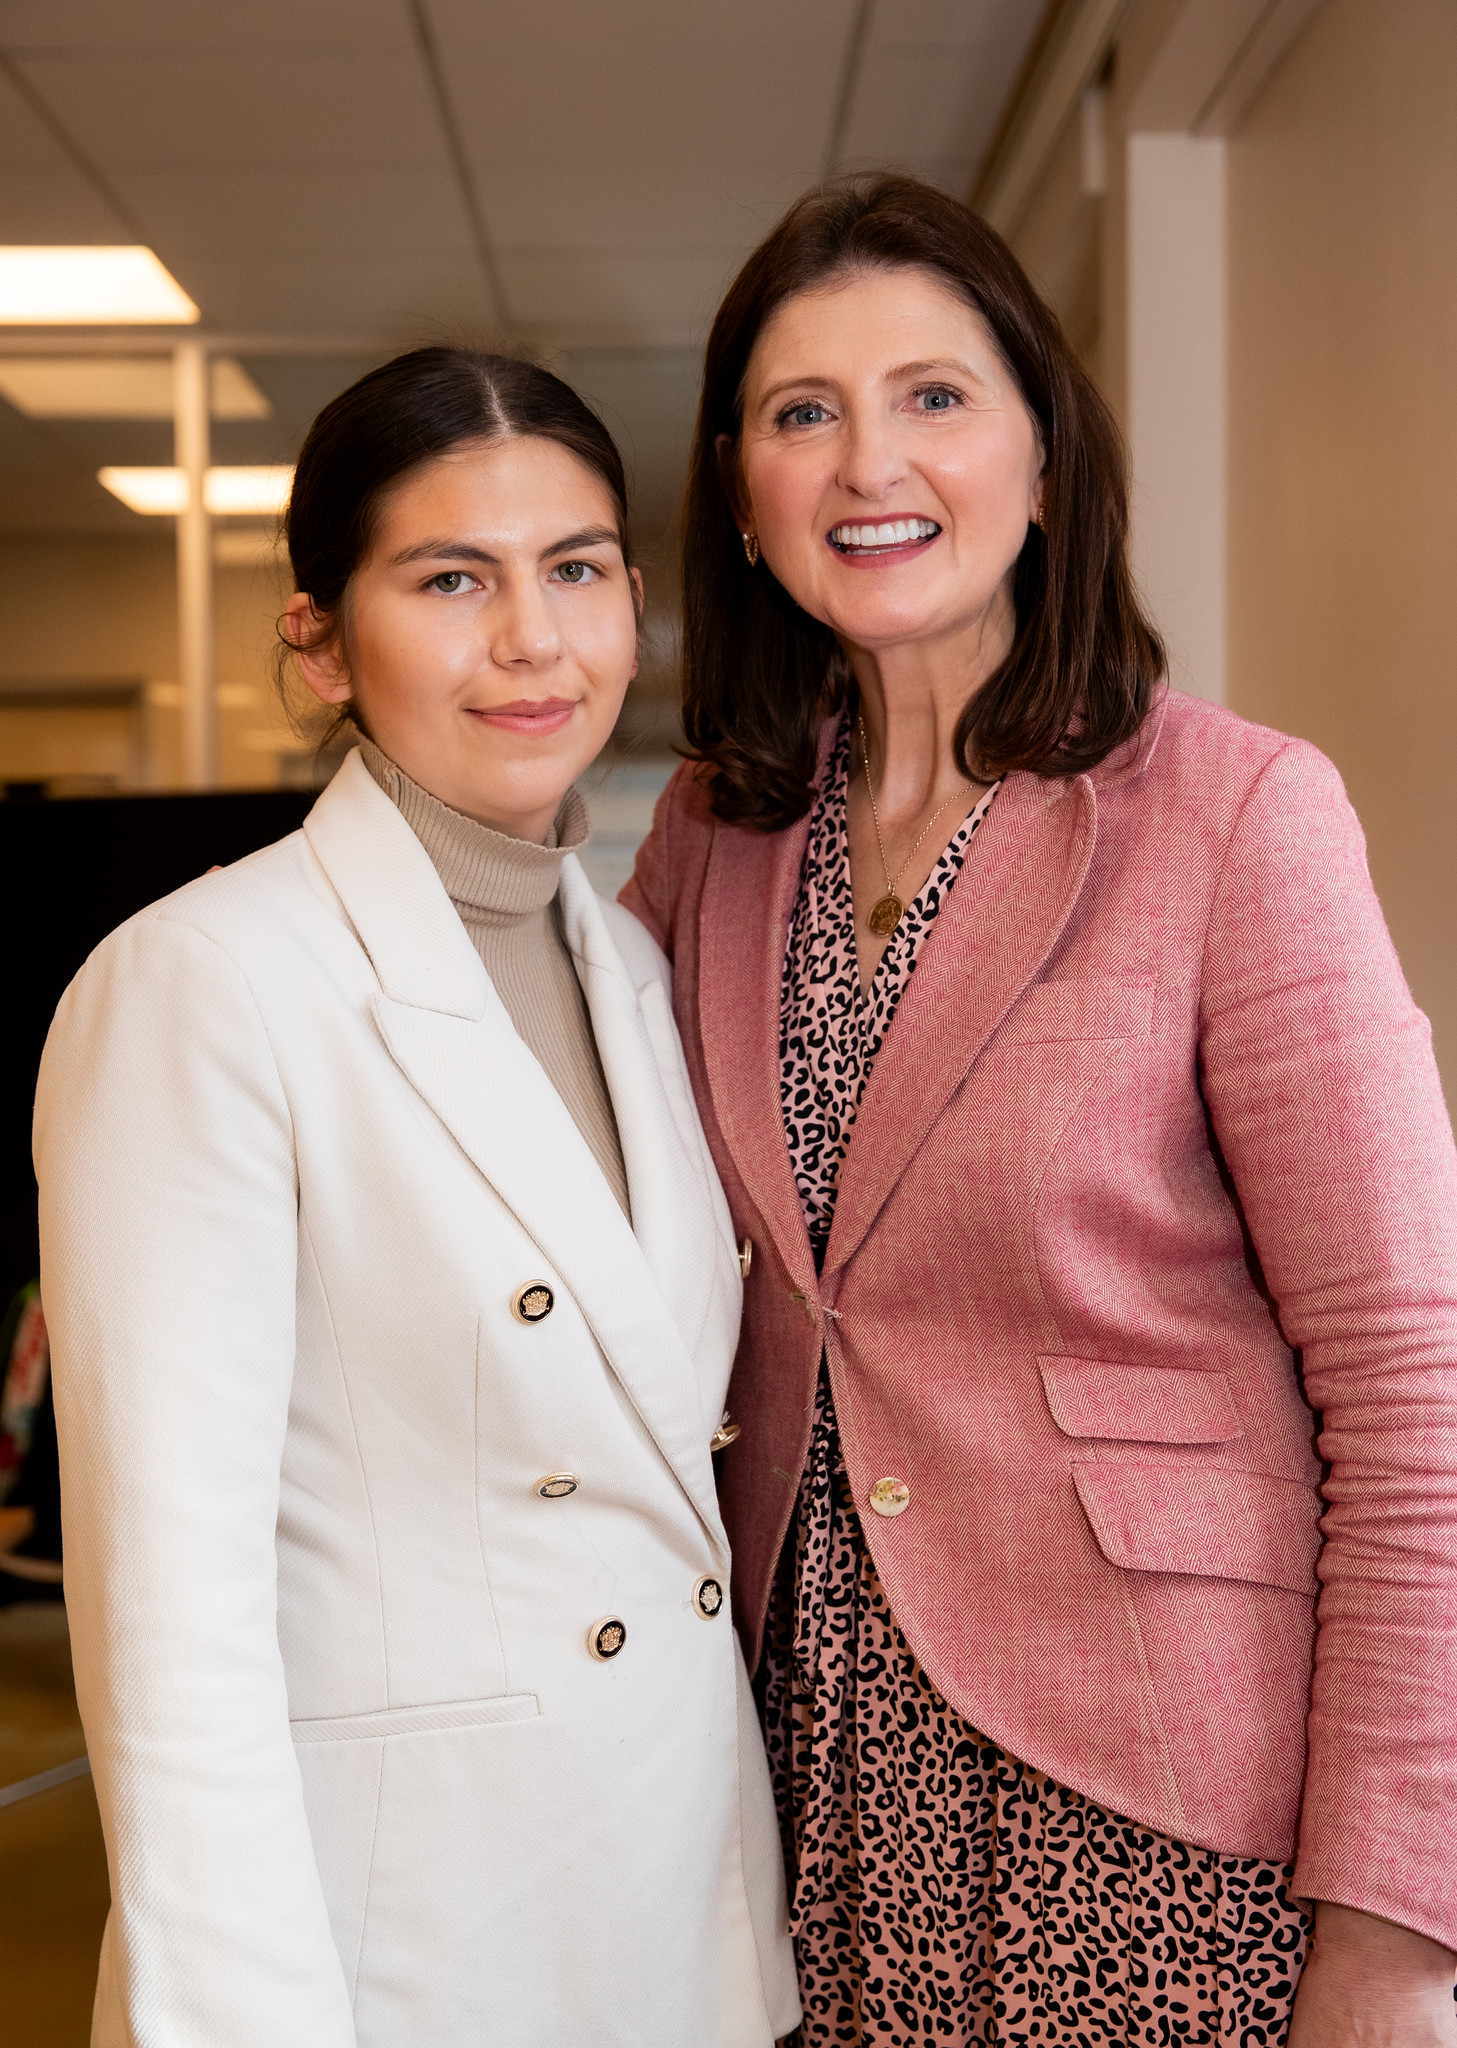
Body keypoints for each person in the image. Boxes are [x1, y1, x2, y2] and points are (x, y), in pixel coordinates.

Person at [624, 176, 1457, 2047]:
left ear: (1044, 460)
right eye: (798, 412)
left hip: (1154, 1811)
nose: (865, 462)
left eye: (932, 395)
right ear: (741, 499)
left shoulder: (1236, 812)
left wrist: (1397, 1929)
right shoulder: (712, 838)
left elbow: (1412, 1381)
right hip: (797, 1794)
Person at [36, 347, 798, 2048]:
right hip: (403, 1951)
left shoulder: (635, 964)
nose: (532, 638)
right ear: (316, 635)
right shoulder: (203, 984)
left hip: (681, 1917)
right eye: (452, 579)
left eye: (577, 569)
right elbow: (173, 1615)